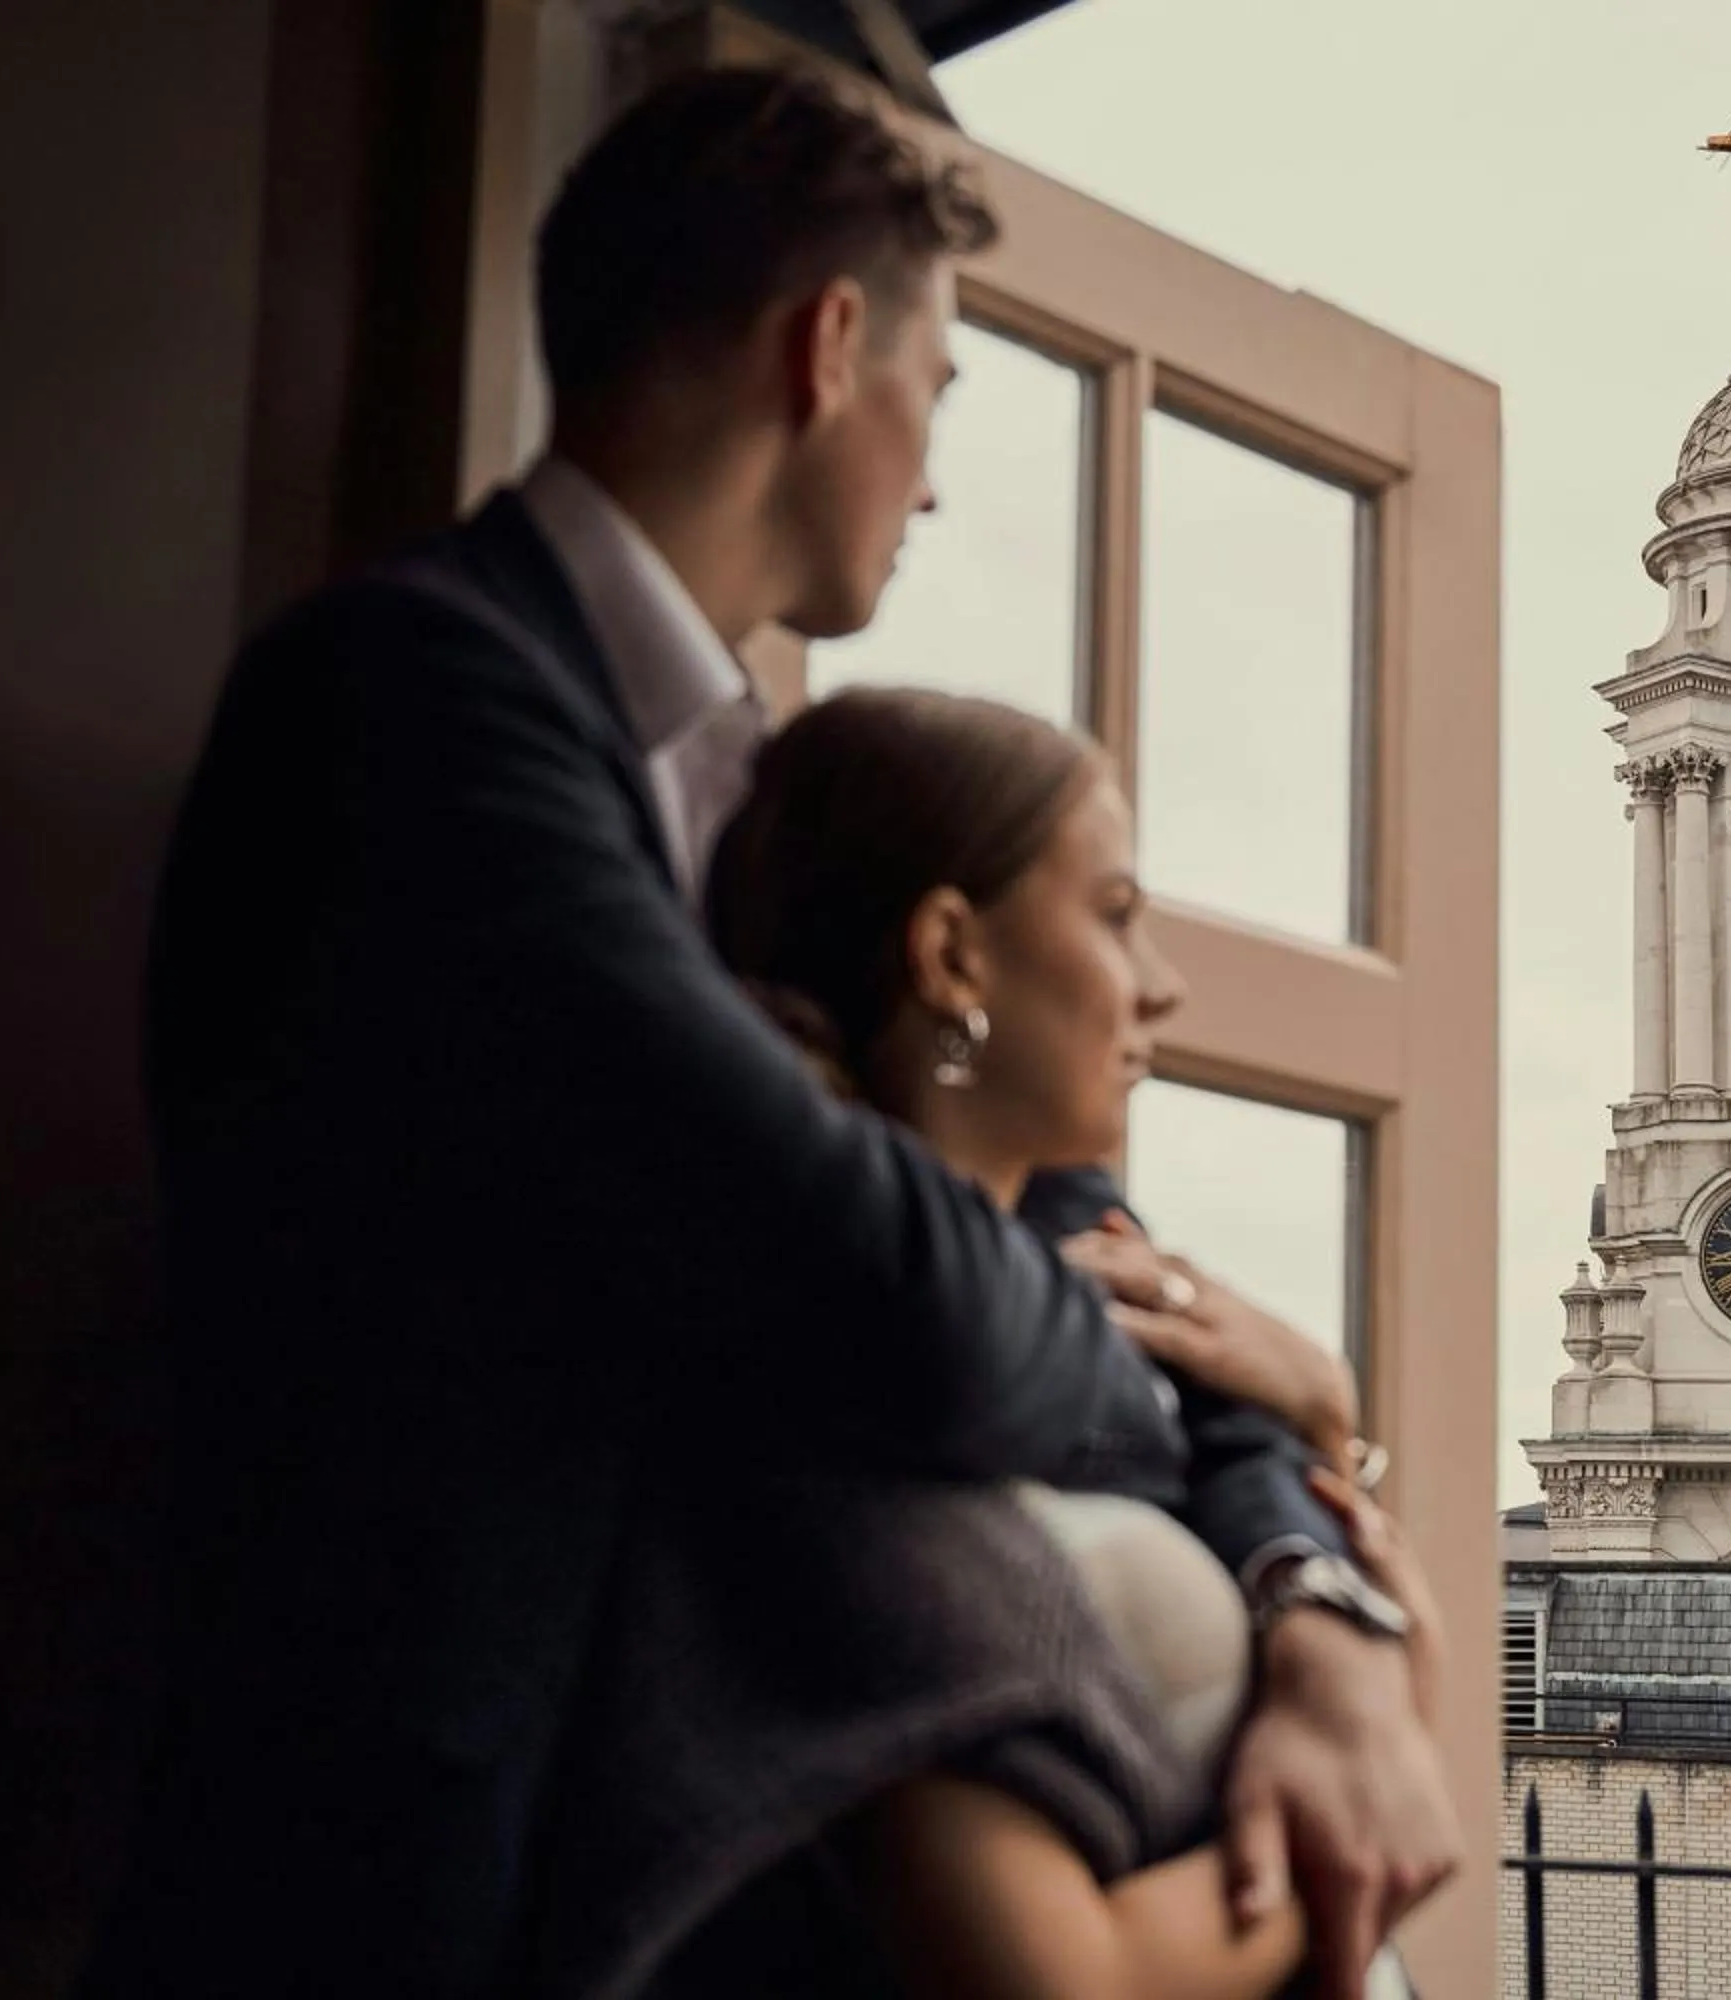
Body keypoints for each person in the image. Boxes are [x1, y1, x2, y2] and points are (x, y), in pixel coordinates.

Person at [80, 63, 1451, 2000]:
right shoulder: (410, 709)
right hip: (394, 1893)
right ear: (827, 350)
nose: (942, 466)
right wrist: (1227, 1380)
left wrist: (1320, 1607)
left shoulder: (760, 803)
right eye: (944, 388)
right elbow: (885, 1281)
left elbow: (1066, 1243)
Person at [526, 688, 1438, 1999]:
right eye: (1117, 916)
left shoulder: (1089, 1299)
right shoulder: (852, 1419)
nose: (1165, 986)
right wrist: (1405, 1726)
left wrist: (1328, 1480)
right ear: (953, 955)